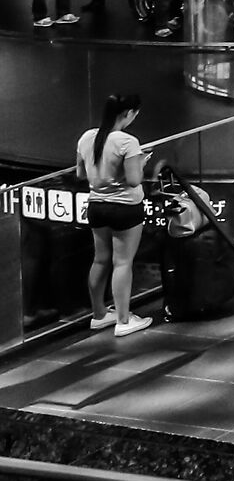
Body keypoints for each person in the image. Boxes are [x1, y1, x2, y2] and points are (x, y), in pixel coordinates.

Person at [77, 93, 151, 335]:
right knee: (122, 262)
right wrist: (141, 163)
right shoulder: (128, 142)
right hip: (125, 209)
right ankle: (123, 320)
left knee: (100, 260)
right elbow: (134, 180)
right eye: (135, 114)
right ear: (128, 113)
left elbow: (80, 174)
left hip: (96, 206)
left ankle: (99, 314)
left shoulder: (87, 137)